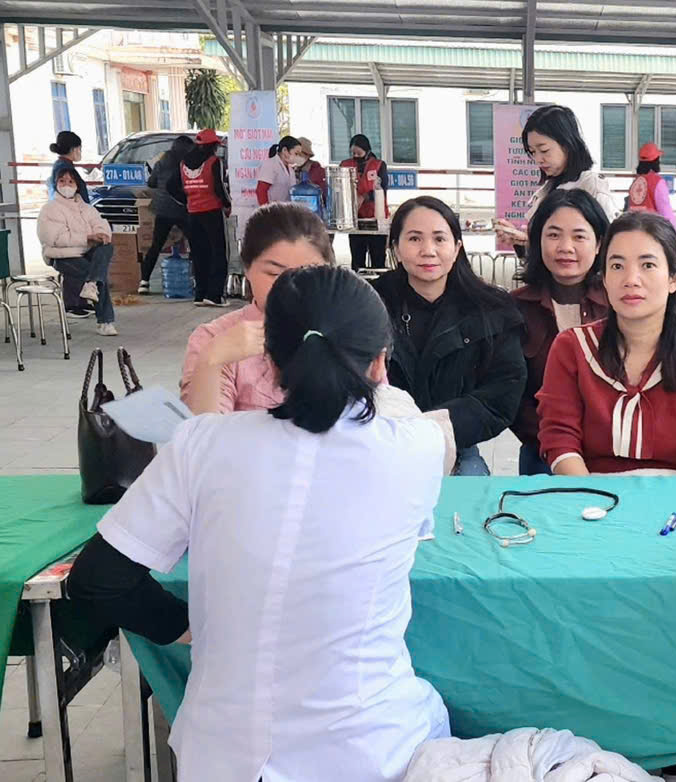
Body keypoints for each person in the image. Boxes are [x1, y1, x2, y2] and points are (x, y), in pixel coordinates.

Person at [68, 264, 453, 782]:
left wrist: (186, 628)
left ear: (267, 360)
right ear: (381, 362)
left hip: (220, 760)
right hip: (370, 753)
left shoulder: (204, 442)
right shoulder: (417, 447)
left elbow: (97, 580)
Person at [537, 211, 676, 476]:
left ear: (674, 279)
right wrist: (591, 495)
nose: (631, 280)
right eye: (617, 266)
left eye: (648, 265)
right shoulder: (572, 347)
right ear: (604, 279)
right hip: (589, 488)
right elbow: (559, 437)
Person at [372, 196, 526, 477]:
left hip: (456, 445)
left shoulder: (492, 310)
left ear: (456, 248)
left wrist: (434, 429)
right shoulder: (368, 305)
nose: (428, 251)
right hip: (381, 445)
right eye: (414, 239)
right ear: (396, 248)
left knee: (469, 496)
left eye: (439, 239)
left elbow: (503, 392)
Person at [181, 202, 335, 414]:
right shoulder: (213, 339)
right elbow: (202, 430)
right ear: (247, 268)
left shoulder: (347, 327)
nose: (291, 286)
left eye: (308, 272)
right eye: (274, 274)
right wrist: (211, 361)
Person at [510, 188, 611, 475]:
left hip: (611, 452)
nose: (566, 247)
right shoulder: (514, 309)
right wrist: (555, 442)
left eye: (579, 236)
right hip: (542, 451)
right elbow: (511, 393)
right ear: (537, 241)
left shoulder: (619, 305)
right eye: (553, 235)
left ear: (599, 243)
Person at [493, 105, 618, 247]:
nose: (538, 159)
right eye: (532, 152)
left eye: (544, 150)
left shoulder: (591, 186)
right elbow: (543, 251)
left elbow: (610, 245)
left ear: (567, 144)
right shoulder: (546, 190)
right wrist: (520, 241)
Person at [36, 168, 118, 335]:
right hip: (62, 256)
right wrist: (87, 238)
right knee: (96, 273)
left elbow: (101, 224)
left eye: (70, 181)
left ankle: (91, 285)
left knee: (106, 247)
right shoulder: (49, 209)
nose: (66, 185)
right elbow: (55, 238)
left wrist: (102, 235)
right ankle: (105, 320)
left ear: (77, 185)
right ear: (56, 184)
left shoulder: (87, 208)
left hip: (86, 252)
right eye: (62, 181)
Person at [180, 129, 231, 308]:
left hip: (192, 214)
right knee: (218, 252)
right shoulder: (214, 162)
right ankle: (215, 295)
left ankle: (200, 294)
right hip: (211, 212)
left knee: (199, 254)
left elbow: (174, 186)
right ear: (212, 146)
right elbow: (219, 187)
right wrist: (227, 204)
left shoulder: (183, 164)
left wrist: (188, 201)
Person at [139, 135, 194, 294]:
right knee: (195, 243)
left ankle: (144, 282)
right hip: (182, 209)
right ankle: (195, 278)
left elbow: (151, 183)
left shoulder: (161, 162)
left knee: (156, 246)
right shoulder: (187, 164)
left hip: (162, 210)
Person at [341, 134, 390, 272]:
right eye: (353, 153)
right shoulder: (345, 165)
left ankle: (379, 284)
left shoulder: (379, 165)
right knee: (357, 259)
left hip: (376, 217)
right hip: (356, 218)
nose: (356, 156)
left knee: (378, 258)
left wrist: (364, 197)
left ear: (367, 151)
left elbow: (383, 190)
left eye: (359, 153)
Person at [625, 142, 676, 230]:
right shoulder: (657, 182)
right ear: (656, 161)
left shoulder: (636, 182)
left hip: (634, 229)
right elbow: (665, 211)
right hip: (652, 230)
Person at [255, 135, 306, 205]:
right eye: (296, 153)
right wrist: (267, 210)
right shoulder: (271, 164)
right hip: (271, 209)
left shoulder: (290, 169)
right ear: (285, 150)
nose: (297, 157)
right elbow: (261, 190)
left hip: (284, 208)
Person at [47, 130, 89, 202]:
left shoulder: (59, 165)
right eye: (80, 148)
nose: (81, 152)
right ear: (74, 149)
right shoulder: (66, 169)